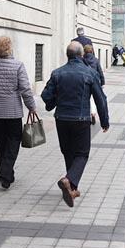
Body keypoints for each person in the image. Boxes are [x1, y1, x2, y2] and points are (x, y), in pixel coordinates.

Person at [41, 42, 110, 208]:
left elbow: (45, 95)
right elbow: (101, 99)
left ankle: (71, 187)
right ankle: (69, 180)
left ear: (68, 55)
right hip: (81, 120)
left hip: (62, 119)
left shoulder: (57, 73)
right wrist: (104, 120)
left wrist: (52, 103)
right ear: (81, 55)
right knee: (82, 154)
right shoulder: (90, 73)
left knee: (68, 152)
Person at [0, 36, 37, 189]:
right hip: (13, 111)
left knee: (1, 142)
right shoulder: (18, 65)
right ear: (9, 48)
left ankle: (6, 175)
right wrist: (31, 106)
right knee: (13, 141)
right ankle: (6, 172)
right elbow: (25, 89)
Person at [82, 43, 105, 125]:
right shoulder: (95, 60)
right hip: (95, 81)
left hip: (85, 81)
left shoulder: (82, 60)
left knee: (86, 98)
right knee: (94, 98)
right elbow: (100, 71)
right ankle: (93, 113)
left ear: (84, 51)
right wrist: (102, 82)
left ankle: (87, 113)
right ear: (92, 51)